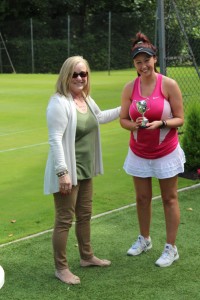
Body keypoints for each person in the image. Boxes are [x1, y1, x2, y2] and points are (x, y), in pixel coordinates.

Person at [44, 56, 120, 285]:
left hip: (85, 171)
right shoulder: (58, 102)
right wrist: (62, 172)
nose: (80, 78)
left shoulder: (85, 98)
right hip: (68, 173)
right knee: (65, 220)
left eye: (83, 74)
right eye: (75, 74)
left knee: (85, 215)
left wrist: (126, 107)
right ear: (66, 75)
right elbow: (55, 139)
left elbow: (100, 117)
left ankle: (87, 257)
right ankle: (61, 268)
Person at [120, 32, 185, 268]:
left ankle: (171, 248)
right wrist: (133, 124)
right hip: (138, 152)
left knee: (169, 198)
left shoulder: (168, 84)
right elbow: (123, 120)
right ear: (134, 64)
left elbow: (180, 118)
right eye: (138, 61)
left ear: (154, 59)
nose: (143, 65)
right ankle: (145, 239)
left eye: (146, 60)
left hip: (166, 151)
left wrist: (163, 123)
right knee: (142, 198)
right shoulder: (130, 87)